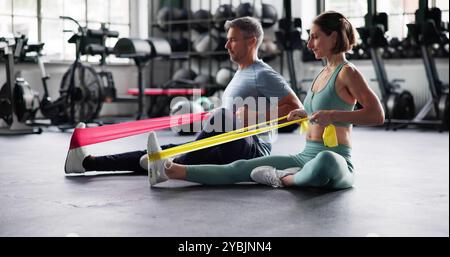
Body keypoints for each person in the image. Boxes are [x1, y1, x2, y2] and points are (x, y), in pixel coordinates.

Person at [147, 11, 385, 189]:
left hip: (337, 159)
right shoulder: (321, 73)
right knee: (240, 168)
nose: (309, 44)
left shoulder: (347, 72)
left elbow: (377, 115)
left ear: (333, 38)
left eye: (315, 37)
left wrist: (333, 116)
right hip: (305, 156)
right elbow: (313, 112)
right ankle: (170, 171)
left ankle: (284, 178)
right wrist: (302, 114)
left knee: (325, 161)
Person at [65, 16, 301, 174]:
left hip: (254, 149)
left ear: (251, 42)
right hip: (227, 141)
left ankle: (172, 164)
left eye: (233, 40)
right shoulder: (240, 73)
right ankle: (87, 163)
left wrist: (257, 115)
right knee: (163, 149)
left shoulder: (263, 73)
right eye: (227, 39)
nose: (227, 45)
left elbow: (297, 110)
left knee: (222, 117)